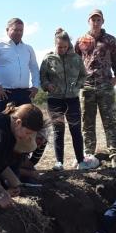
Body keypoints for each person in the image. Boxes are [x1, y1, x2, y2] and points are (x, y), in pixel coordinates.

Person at [40, 28, 97, 171]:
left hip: (72, 99)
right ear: (55, 43)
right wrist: (47, 85)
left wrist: (77, 86)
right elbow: (42, 77)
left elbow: (83, 75)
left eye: (65, 47)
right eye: (60, 46)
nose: (62, 49)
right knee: (58, 130)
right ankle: (59, 162)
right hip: (54, 100)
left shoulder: (76, 59)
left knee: (76, 130)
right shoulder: (48, 59)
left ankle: (81, 161)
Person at [74, 9, 116, 168]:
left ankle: (114, 155)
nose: (95, 22)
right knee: (87, 123)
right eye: (93, 20)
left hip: (105, 87)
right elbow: (74, 61)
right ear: (88, 21)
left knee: (110, 122)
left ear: (103, 21)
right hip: (86, 87)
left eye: (98, 20)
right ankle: (88, 155)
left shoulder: (110, 40)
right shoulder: (81, 40)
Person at [0, 17, 40, 113]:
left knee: (24, 124)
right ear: (7, 30)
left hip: (25, 93)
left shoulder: (28, 48)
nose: (19, 33)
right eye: (15, 30)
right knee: (2, 123)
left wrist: (36, 86)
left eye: (21, 30)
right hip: (4, 92)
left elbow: (34, 68)